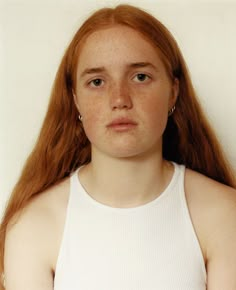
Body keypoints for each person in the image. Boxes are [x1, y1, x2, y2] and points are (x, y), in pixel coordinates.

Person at [0, 4, 236, 290]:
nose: (120, 99)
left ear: (173, 91)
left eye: (140, 77)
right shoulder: (32, 228)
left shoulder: (224, 215)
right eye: (97, 81)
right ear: (75, 100)